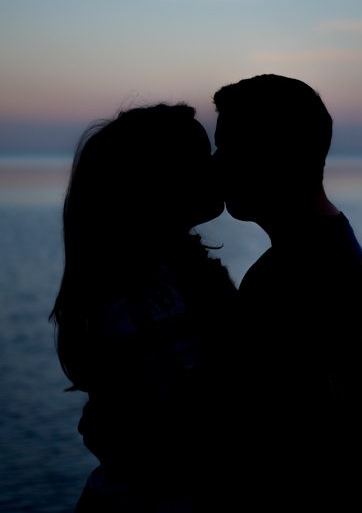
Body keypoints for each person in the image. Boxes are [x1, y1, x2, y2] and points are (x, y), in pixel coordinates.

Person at [210, 74, 362, 511]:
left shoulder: (289, 275)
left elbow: (268, 434)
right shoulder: (323, 250)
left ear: (272, 157)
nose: (217, 165)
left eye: (227, 149)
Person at [51, 104, 237, 511]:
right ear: (160, 181)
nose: (216, 167)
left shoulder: (175, 274)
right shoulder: (145, 302)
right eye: (200, 158)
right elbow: (216, 419)